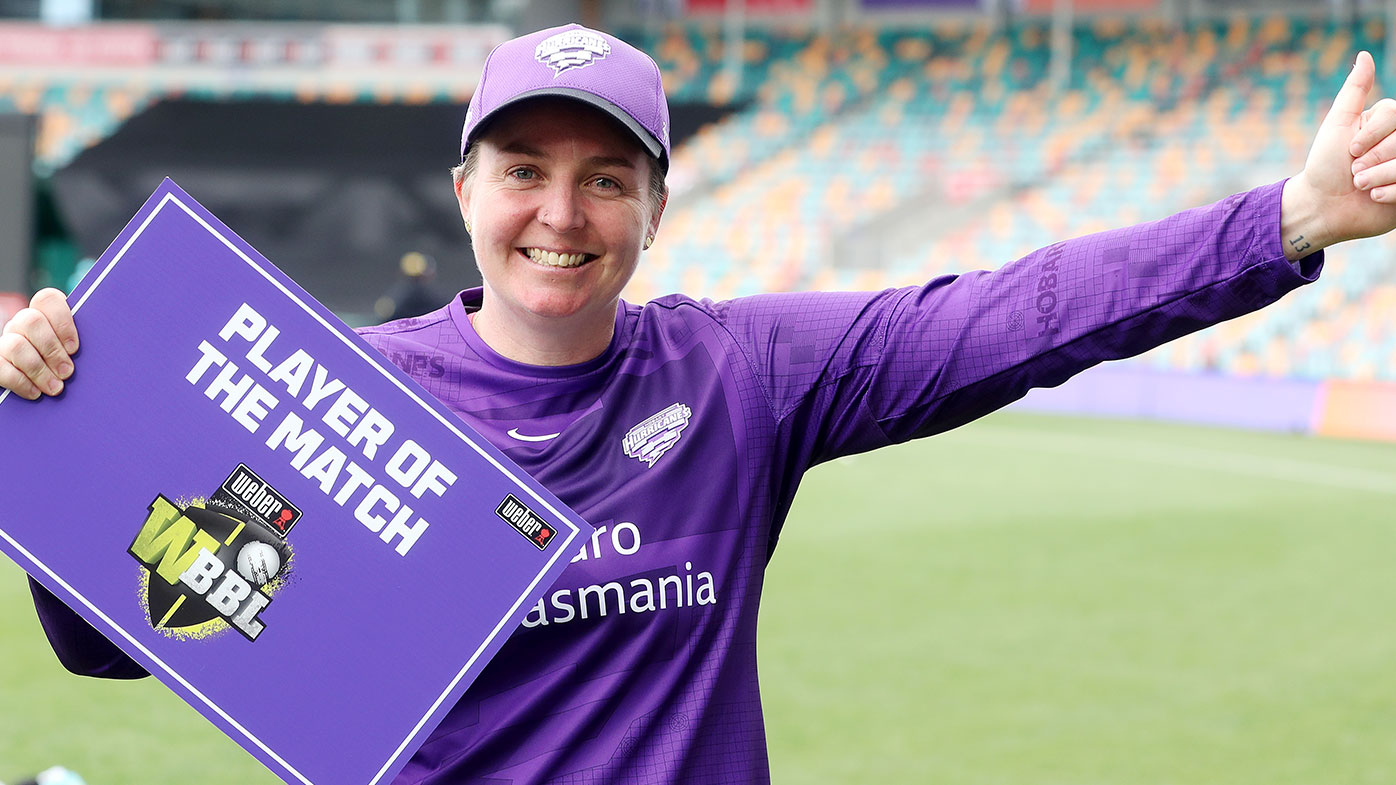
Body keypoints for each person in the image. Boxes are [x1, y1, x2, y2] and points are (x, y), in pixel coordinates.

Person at [3, 22, 1396, 785]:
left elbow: (1012, 315)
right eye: (524, 170)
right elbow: (120, 639)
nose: (563, 212)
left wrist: (1285, 217)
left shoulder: (739, 372)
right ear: (463, 191)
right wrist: (49, 422)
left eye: (608, 178)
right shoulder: (345, 398)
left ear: (659, 207)